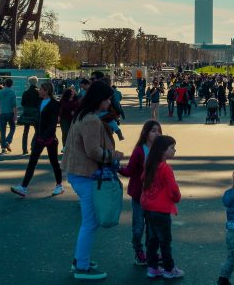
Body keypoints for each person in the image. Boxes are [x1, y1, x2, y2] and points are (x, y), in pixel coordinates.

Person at [61, 80, 124, 280]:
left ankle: (81, 259)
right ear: (99, 99)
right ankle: (81, 266)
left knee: (89, 222)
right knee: (90, 223)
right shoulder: (91, 120)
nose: (109, 103)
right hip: (85, 174)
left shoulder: (82, 115)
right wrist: (112, 155)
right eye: (107, 99)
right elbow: (93, 151)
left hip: (77, 172)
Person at [119, 119, 162, 267]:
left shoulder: (160, 150)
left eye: (158, 131)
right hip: (139, 196)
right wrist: (116, 166)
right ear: (146, 133)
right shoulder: (139, 150)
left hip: (154, 197)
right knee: (138, 227)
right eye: (153, 130)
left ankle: (151, 253)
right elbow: (130, 170)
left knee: (152, 228)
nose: (157, 133)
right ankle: (138, 252)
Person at [11, 81, 64, 197]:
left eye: (41, 89)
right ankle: (23, 187)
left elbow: (53, 123)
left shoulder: (55, 104)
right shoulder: (40, 102)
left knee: (54, 162)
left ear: (47, 91)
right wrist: (39, 135)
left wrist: (45, 136)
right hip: (40, 137)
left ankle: (59, 185)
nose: (39, 91)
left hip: (49, 138)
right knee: (32, 162)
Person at [141, 135, 183, 279]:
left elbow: (143, 181)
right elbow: (173, 188)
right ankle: (169, 269)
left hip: (148, 207)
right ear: (162, 151)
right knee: (165, 241)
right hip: (161, 210)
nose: (174, 150)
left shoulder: (149, 164)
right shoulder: (165, 168)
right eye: (172, 148)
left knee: (152, 239)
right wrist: (177, 197)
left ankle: (153, 267)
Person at [19, 76, 42, 155]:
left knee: (26, 131)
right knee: (38, 131)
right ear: (36, 82)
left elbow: (22, 103)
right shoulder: (39, 92)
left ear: (29, 83)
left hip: (27, 113)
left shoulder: (26, 92)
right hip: (36, 113)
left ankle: (24, 149)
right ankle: (33, 145)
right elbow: (41, 103)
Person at [0, 77, 17, 153]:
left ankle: (3, 148)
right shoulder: (12, 92)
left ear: (5, 84)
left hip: (2, 113)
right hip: (10, 112)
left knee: (2, 130)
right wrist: (15, 115)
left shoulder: (0, 92)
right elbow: (14, 105)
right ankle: (8, 141)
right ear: (11, 84)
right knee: (13, 128)